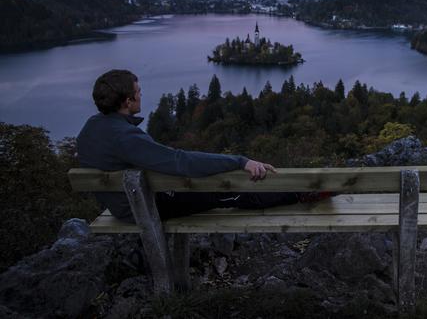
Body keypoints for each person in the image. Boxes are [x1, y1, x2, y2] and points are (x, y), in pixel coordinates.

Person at [76, 69, 305, 223]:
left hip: (126, 203)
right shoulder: (125, 137)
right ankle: (300, 193)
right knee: (223, 189)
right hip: (140, 207)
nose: (141, 95)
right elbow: (181, 162)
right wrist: (240, 161)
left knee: (208, 183)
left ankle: (296, 192)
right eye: (138, 92)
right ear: (127, 101)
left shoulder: (92, 127)